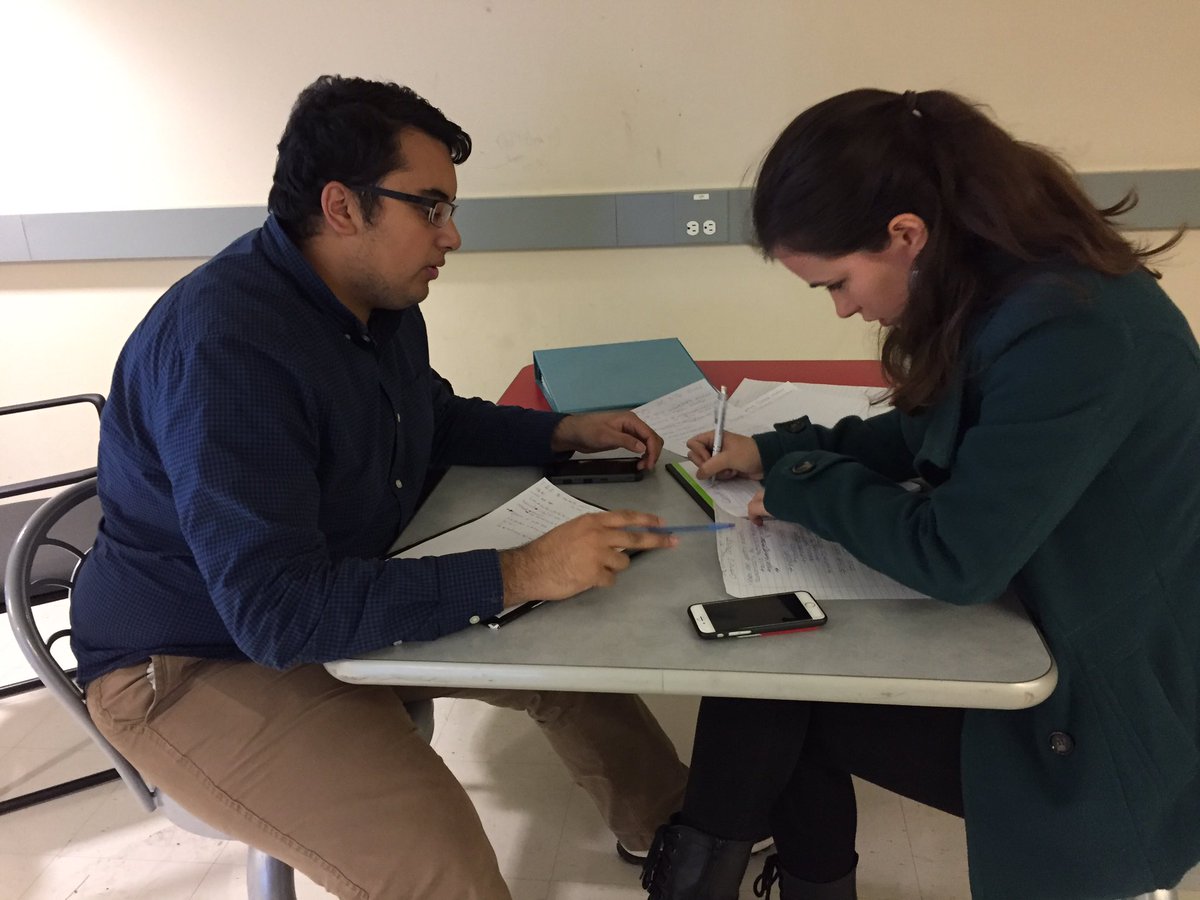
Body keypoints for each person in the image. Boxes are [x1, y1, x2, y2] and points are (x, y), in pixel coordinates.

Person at [72, 74, 690, 900]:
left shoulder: (376, 302)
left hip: (324, 590)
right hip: (195, 659)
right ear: (342, 207)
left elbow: (427, 417)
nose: (453, 236)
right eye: (431, 207)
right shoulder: (231, 349)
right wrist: (520, 571)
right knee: (438, 866)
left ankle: (682, 838)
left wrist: (556, 432)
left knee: (562, 651)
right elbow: (276, 612)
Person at [639, 88, 1200, 900]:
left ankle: (703, 884)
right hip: (1049, 635)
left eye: (837, 283)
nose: (842, 310)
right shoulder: (1014, 289)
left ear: (906, 235)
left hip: (1109, 717)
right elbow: (934, 430)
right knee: (767, 683)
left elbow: (956, 556)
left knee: (775, 698)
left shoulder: (1073, 332)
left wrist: (800, 485)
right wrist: (777, 450)